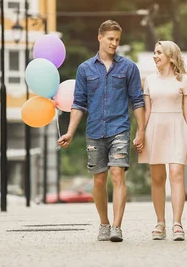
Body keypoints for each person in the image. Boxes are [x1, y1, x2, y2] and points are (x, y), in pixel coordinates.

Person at [57, 20, 146, 242]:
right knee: (99, 180)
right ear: (100, 38)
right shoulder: (85, 69)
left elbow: (137, 101)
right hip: (95, 130)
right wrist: (69, 132)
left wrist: (141, 131)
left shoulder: (129, 68)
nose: (114, 43)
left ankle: (117, 227)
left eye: (117, 40)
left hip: (119, 129)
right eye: (110, 39)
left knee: (117, 175)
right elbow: (79, 104)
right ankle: (104, 224)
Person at [138, 41, 187, 241]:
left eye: (159, 52)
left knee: (176, 173)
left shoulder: (185, 80)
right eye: (154, 52)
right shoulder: (149, 80)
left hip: (177, 127)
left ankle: (177, 223)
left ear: (171, 56)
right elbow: (147, 111)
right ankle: (160, 222)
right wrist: (141, 133)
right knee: (157, 178)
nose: (155, 56)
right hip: (155, 128)